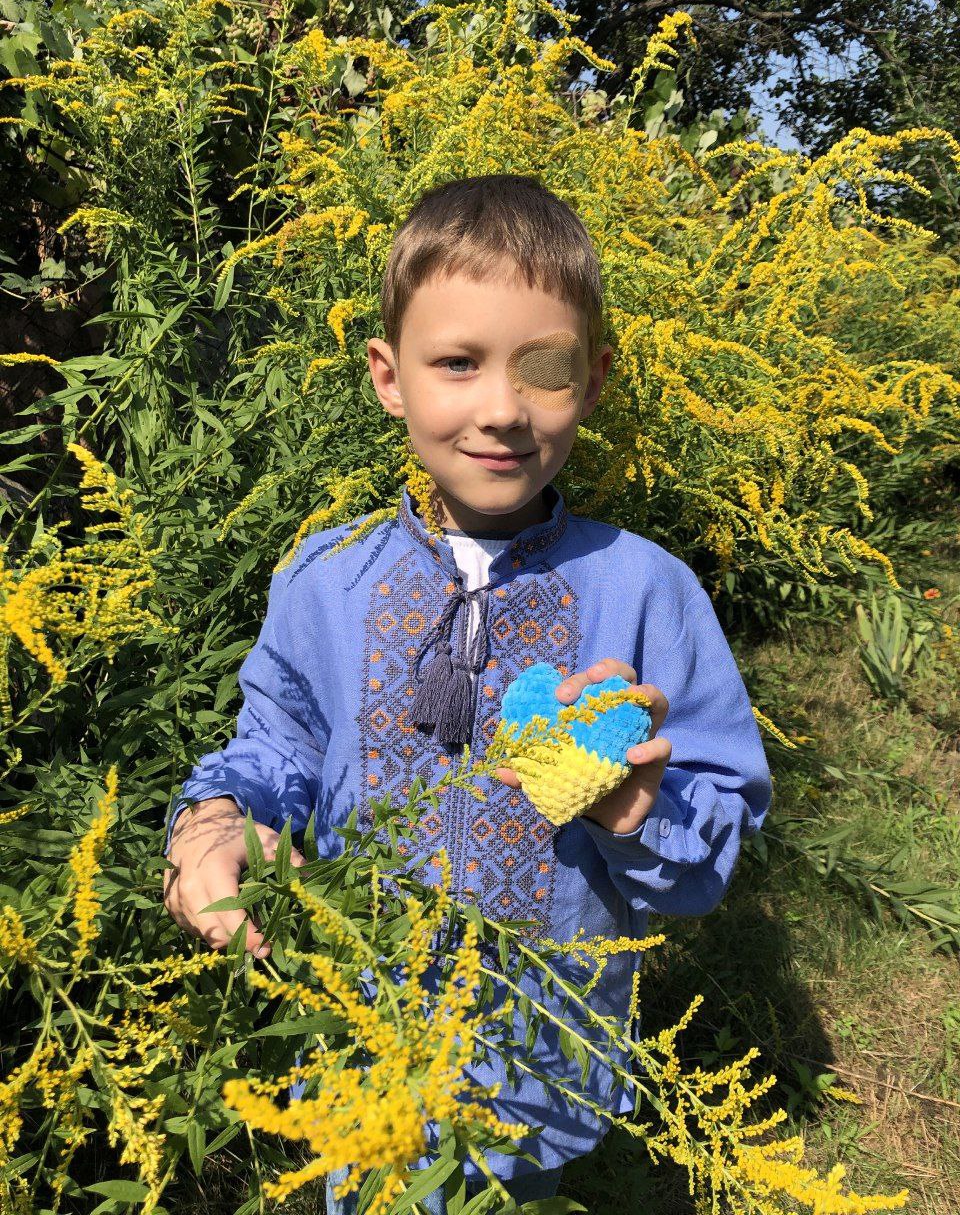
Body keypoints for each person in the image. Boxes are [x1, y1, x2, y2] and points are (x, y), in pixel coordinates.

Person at [162, 174, 773, 1212]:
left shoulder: (647, 591)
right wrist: (215, 822)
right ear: (388, 377)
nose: (502, 409)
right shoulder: (324, 577)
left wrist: (631, 807)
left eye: (545, 369)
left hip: (543, 1071)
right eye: (458, 363)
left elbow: (711, 854)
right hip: (358, 1050)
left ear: (594, 379)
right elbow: (275, 745)